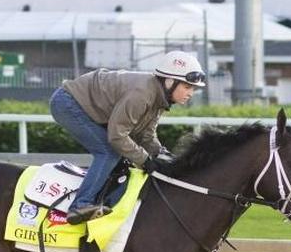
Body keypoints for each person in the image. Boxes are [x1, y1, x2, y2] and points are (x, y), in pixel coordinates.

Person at [49, 50, 207, 224]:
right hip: (67, 102)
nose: (191, 93)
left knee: (122, 155)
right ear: (170, 82)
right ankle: (80, 206)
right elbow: (117, 136)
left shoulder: (159, 98)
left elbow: (146, 135)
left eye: (193, 88)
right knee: (109, 152)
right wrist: (146, 160)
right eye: (187, 87)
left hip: (82, 105)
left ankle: (102, 202)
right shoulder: (142, 94)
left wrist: (162, 155)